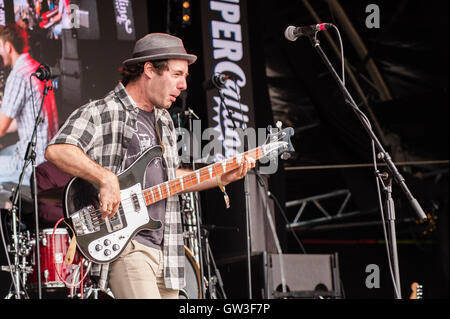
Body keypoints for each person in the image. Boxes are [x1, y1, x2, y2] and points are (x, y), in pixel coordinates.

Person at [44, 33, 256, 299]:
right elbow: (58, 149)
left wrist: (221, 177)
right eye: (177, 74)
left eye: (186, 76)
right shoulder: (105, 110)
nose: (183, 84)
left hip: (166, 250)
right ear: (149, 69)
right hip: (128, 246)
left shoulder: (164, 121)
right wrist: (104, 177)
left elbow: (171, 178)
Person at [0, 24, 59, 187]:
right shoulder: (37, 68)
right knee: (4, 152)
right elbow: (20, 121)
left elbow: (1, 128)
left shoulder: (18, 74)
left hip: (32, 164)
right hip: (48, 156)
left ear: (7, 46)